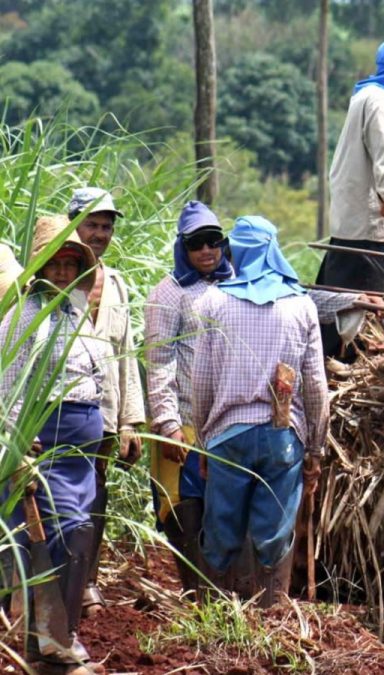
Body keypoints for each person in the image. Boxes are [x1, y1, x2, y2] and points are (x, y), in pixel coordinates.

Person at [192, 216, 330, 608]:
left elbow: (201, 383)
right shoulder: (301, 305)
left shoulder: (214, 302)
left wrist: (203, 442)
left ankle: (216, 613)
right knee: (273, 534)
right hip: (282, 437)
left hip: (227, 435)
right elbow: (316, 386)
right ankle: (270, 611)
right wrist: (316, 448)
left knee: (221, 529)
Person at [2, 216, 109, 674]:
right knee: (55, 535)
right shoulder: (24, 316)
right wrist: (16, 447)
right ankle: (47, 642)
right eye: (56, 263)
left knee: (78, 533)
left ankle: (58, 638)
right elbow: (9, 387)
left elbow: (95, 375)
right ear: (40, 267)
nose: (64, 272)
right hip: (45, 444)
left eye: (71, 263)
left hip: (80, 452)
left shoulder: (75, 310)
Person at [144, 201, 233, 594]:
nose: (207, 251)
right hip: (183, 421)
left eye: (214, 242)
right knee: (182, 509)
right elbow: (158, 361)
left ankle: (221, 594)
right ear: (184, 247)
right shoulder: (168, 293)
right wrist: (166, 426)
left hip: (225, 422)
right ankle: (197, 595)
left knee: (222, 509)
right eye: (197, 244)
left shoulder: (235, 285)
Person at [67, 187, 146, 617]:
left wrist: (131, 420)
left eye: (106, 227)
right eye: (92, 225)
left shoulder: (115, 284)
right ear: (73, 225)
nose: (99, 234)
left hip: (105, 415)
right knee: (59, 499)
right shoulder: (54, 278)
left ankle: (87, 582)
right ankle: (57, 581)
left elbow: (126, 356)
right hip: (59, 412)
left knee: (96, 498)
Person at [317, 37, 384, 359]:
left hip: (351, 225)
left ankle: (329, 360)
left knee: (337, 299)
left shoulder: (366, 95)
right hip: (370, 229)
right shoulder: (379, 101)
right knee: (359, 307)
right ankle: (339, 366)